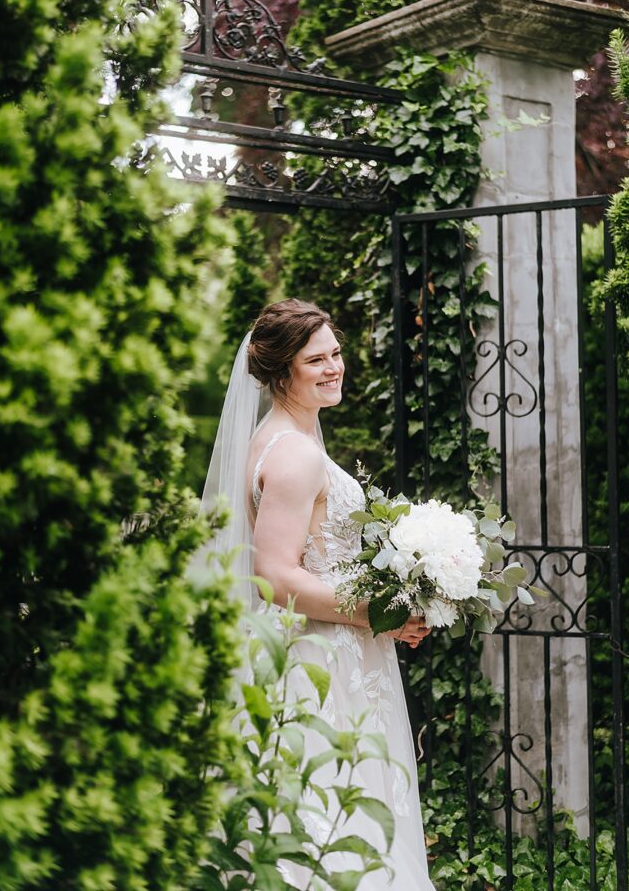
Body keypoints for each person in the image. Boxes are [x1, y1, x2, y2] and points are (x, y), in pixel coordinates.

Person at [202, 298, 435, 890]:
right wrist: (381, 614)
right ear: (282, 373)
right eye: (316, 360)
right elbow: (277, 577)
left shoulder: (281, 438)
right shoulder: (297, 455)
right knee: (329, 815)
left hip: (335, 649)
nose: (334, 367)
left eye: (336, 353)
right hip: (321, 663)